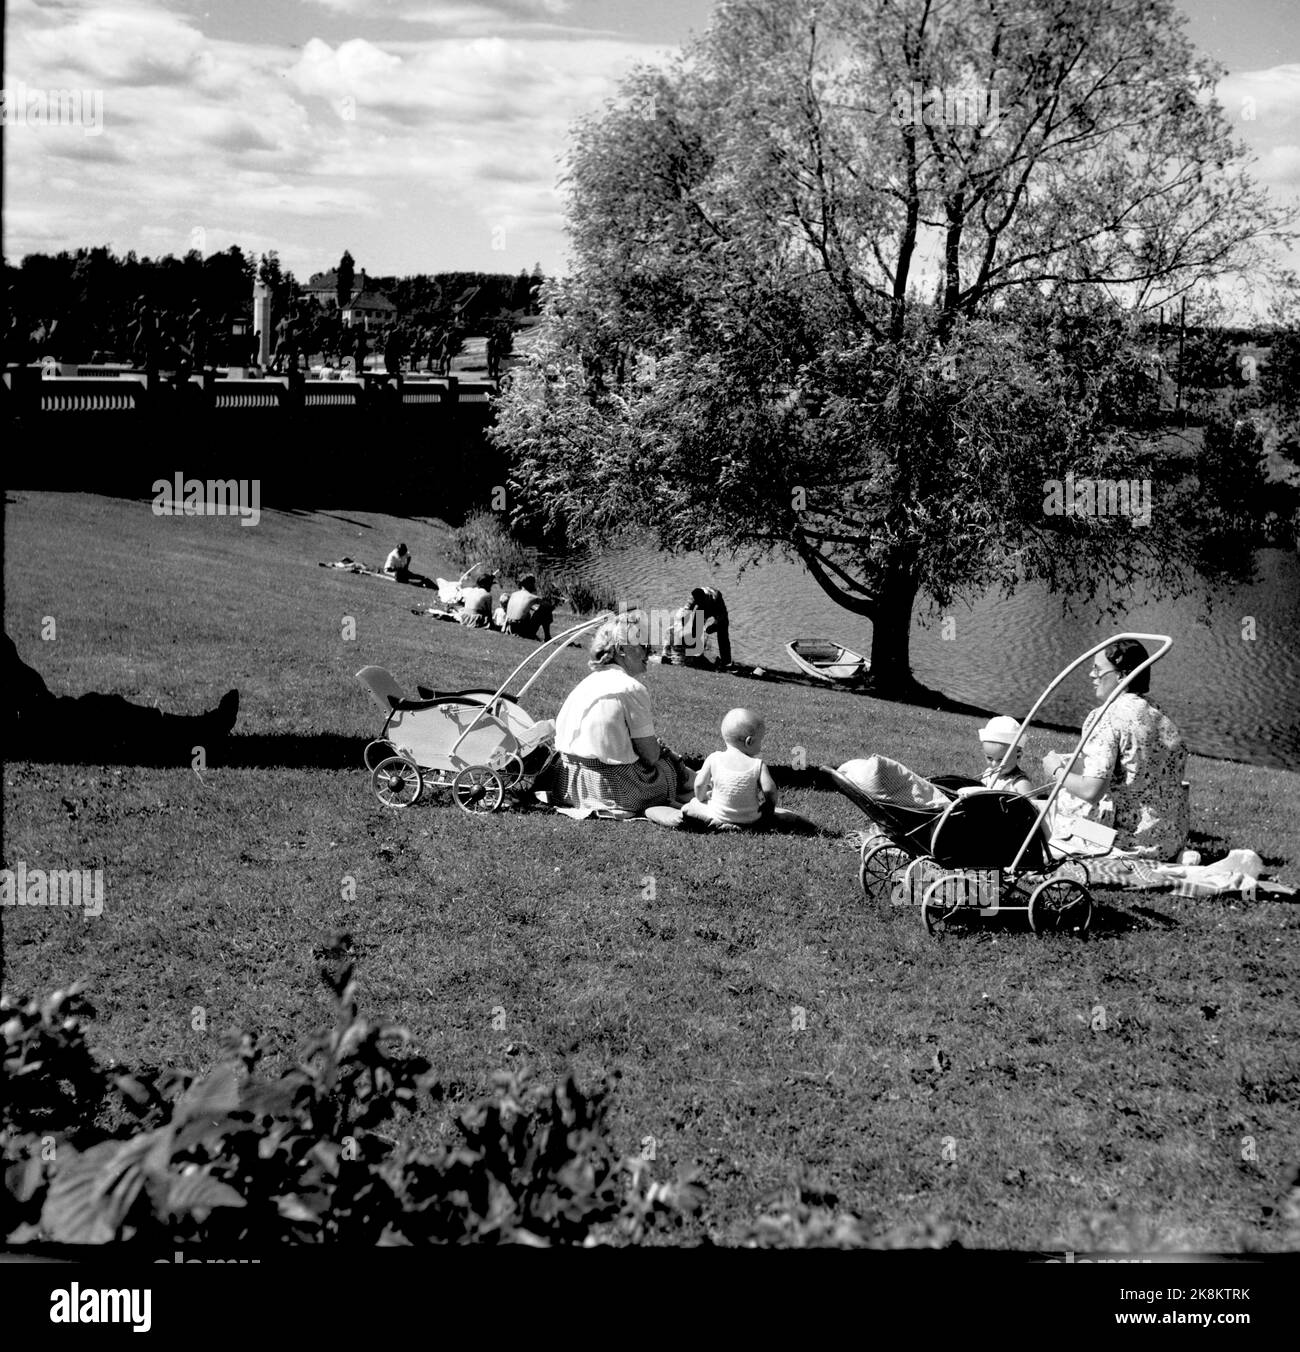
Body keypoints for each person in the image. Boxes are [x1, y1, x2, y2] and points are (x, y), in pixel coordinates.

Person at [1042, 638, 1188, 860]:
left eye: (1098, 669)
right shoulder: (1159, 714)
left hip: (1125, 842)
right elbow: (1135, 768)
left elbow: (1092, 791)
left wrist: (1056, 771)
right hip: (1167, 840)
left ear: (1122, 674)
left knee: (1049, 811)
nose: (1092, 675)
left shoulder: (1106, 717)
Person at [548, 613, 694, 817]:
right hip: (614, 788)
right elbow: (650, 757)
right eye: (643, 645)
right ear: (621, 650)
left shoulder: (587, 683)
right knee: (669, 766)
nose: (649, 651)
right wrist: (661, 751)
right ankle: (707, 788)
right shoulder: (631, 688)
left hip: (567, 782)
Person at [4, 632, 239, 758]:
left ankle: (199, 730)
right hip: (28, 727)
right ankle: (201, 732)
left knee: (102, 712)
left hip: (30, 717)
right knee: (104, 717)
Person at [651, 708, 815, 832]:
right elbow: (770, 790)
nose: (761, 745)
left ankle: (678, 809)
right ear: (749, 742)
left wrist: (701, 799)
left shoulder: (714, 758)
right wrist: (768, 810)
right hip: (750, 819)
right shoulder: (758, 764)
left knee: (691, 806)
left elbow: (700, 784)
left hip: (718, 815)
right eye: (761, 741)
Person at [976, 715, 1035, 795]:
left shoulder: (1020, 784)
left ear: (1018, 756)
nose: (994, 764)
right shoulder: (988, 773)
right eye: (989, 758)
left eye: (1001, 760)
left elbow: (1033, 806)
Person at [686, 586, 731, 667]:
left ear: (705, 597)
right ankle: (694, 656)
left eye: (701, 601)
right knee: (695, 630)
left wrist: (714, 626)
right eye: (698, 602)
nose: (699, 603)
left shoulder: (715, 597)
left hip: (716, 608)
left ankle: (726, 661)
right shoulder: (693, 599)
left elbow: (721, 616)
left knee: (722, 630)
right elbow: (686, 611)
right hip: (703, 609)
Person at [503, 574, 554, 642]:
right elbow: (549, 606)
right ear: (529, 584)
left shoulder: (513, 594)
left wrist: (532, 608)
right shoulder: (532, 597)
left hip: (509, 627)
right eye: (533, 583)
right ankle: (547, 637)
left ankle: (546, 637)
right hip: (522, 630)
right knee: (544, 608)